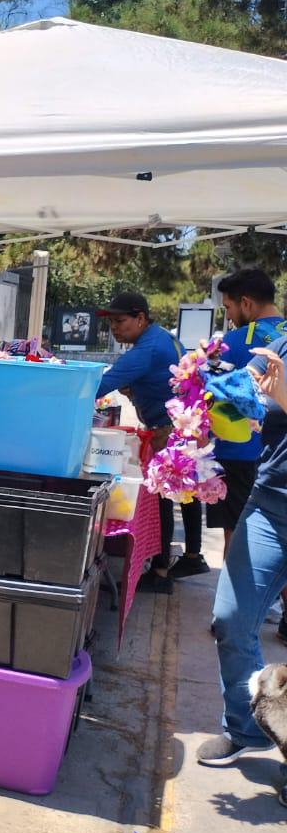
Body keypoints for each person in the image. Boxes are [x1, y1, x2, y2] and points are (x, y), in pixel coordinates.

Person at [198, 338, 287, 765]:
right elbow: (243, 389)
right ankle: (247, 728)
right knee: (231, 619)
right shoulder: (282, 345)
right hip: (270, 504)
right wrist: (211, 378)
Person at [94, 291, 203, 593]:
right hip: (182, 425)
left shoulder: (147, 349)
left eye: (120, 321)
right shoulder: (164, 337)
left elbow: (99, 384)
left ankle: (160, 572)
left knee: (163, 499)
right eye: (111, 323)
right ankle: (192, 556)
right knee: (184, 494)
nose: (114, 329)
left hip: (168, 430)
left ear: (140, 318)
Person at [207, 269, 286, 552]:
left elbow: (212, 395)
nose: (228, 316)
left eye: (228, 307)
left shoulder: (235, 341)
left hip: (238, 453)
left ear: (246, 303)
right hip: (279, 459)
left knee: (237, 539)